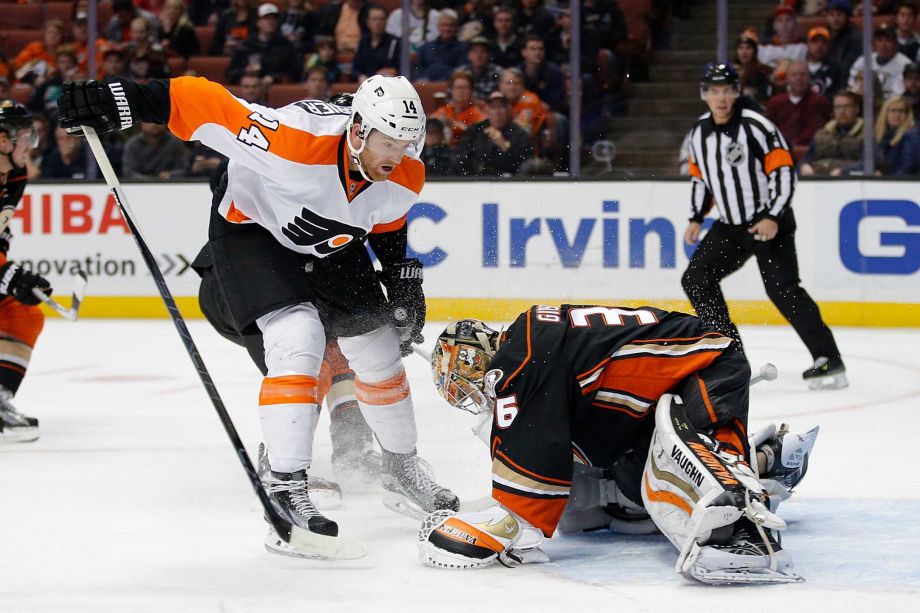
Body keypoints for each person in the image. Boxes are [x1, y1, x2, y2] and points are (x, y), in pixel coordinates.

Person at [58, 73, 459, 555]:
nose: (397, 154)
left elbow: (388, 221)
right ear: (357, 131)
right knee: (299, 336)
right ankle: (286, 485)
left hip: (328, 241)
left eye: (407, 141)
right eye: (387, 140)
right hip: (252, 231)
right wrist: (119, 100)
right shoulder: (293, 140)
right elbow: (204, 101)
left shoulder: (406, 171)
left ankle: (400, 467)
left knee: (376, 345)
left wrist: (402, 282)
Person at [419, 307, 818, 584]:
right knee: (637, 494)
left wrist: (514, 521)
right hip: (663, 389)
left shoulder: (519, 359)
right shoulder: (532, 343)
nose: (474, 393)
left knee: (696, 459)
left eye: (463, 379)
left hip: (702, 364)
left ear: (473, 356)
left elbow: (534, 441)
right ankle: (770, 460)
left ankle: (746, 536)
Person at [682, 63, 847, 390]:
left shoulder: (758, 127)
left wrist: (772, 215)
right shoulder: (698, 133)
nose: (721, 98)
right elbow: (701, 178)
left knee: (783, 290)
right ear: (704, 94)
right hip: (730, 226)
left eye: (727, 89)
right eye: (714, 91)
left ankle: (828, 359)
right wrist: (696, 217)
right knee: (696, 278)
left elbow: (784, 173)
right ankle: (730, 356)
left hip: (768, 222)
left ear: (737, 92)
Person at [0, 101, 52, 443]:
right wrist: (8, 276)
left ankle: (0, 400)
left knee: (24, 315)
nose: (30, 144)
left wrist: (9, 275)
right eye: (24, 137)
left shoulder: (14, 174)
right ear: (3, 141)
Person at [454, 90, 533, 176]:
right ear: (487, 110)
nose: (498, 112)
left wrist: (505, 145)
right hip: (476, 179)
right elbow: (462, 156)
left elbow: (525, 162)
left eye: (501, 107)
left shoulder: (519, 133)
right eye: (494, 107)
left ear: (508, 110)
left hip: (508, 181)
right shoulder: (475, 130)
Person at [227, 3, 300, 86]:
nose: (270, 22)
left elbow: (295, 71)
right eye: (266, 18)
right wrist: (245, 71)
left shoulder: (285, 45)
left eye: (274, 19)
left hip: (275, 87)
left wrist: (274, 77)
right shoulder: (246, 45)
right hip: (250, 88)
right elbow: (230, 73)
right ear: (258, 22)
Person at [766, 60, 832, 147]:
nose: (798, 78)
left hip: (810, 149)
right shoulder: (776, 102)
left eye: (802, 74)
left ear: (809, 77)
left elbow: (820, 129)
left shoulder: (819, 101)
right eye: (794, 74)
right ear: (787, 78)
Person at [800, 89, 865, 176]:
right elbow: (806, 159)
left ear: (856, 109)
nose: (842, 111)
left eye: (846, 106)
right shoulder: (822, 134)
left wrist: (844, 171)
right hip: (819, 180)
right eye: (838, 107)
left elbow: (871, 163)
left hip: (850, 181)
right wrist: (804, 166)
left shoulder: (866, 134)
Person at [848, 23, 913, 99]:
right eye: (879, 40)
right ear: (874, 44)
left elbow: (901, 95)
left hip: (891, 105)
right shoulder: (864, 60)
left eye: (888, 40)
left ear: (896, 44)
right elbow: (851, 86)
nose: (883, 45)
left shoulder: (905, 65)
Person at [432, 70, 485, 147]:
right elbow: (430, 123)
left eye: (465, 88)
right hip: (444, 152)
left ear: (471, 91)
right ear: (452, 90)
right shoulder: (446, 110)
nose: (461, 91)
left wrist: (452, 124)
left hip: (468, 151)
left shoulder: (477, 112)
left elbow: (475, 133)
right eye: (458, 88)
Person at [414, 9, 467, 82]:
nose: (447, 29)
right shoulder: (425, 48)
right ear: (438, 26)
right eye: (444, 25)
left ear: (456, 27)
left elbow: (462, 71)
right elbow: (417, 71)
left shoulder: (463, 47)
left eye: (451, 25)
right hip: (428, 86)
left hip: (452, 87)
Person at [122, 122, 190, 179]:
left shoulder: (175, 143)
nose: (154, 123)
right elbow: (129, 173)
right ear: (141, 124)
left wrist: (171, 175)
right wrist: (152, 181)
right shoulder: (132, 145)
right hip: (141, 187)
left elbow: (184, 169)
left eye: (158, 119)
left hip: (170, 185)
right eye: (149, 120)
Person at [351, 5, 400, 82]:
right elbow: (355, 68)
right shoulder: (363, 41)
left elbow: (396, 68)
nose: (378, 22)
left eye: (381, 19)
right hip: (365, 84)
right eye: (374, 19)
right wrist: (360, 76)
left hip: (386, 83)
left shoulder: (394, 42)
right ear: (368, 22)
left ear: (386, 21)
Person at [874, 95, 917, 174]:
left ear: (907, 115)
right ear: (885, 113)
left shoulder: (911, 136)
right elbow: (865, 162)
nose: (897, 115)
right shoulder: (880, 136)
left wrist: (885, 178)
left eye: (901, 111)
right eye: (893, 110)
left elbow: (907, 168)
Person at [805, 26, 846, 98]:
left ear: (829, 45)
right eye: (815, 42)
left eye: (823, 42)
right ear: (807, 44)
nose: (819, 46)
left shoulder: (835, 68)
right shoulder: (800, 68)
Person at [458, 36, 501, 101]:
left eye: (483, 51)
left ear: (489, 55)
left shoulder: (498, 72)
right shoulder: (461, 73)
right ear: (468, 55)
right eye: (475, 51)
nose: (478, 55)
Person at [826, 0, 862, 71]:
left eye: (839, 14)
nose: (835, 19)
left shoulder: (856, 39)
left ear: (847, 17)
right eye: (832, 15)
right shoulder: (828, 37)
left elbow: (847, 68)